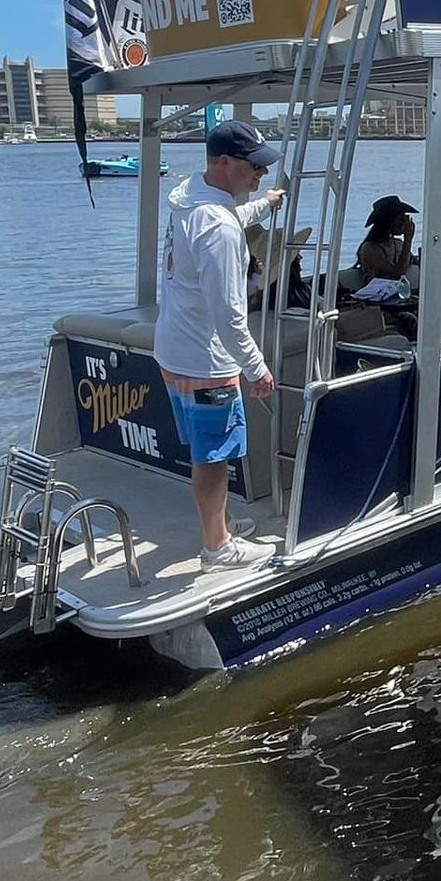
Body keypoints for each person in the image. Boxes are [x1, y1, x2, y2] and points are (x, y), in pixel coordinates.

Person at [155, 119, 287, 574]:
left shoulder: (189, 200)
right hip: (207, 360)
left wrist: (264, 207)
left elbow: (229, 216)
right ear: (226, 164)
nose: (261, 177)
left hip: (173, 350)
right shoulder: (220, 230)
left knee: (203, 448)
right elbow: (230, 314)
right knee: (213, 458)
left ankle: (223, 525)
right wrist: (257, 368)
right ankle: (217, 547)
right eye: (255, 169)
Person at [356, 195, 416, 287]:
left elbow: (411, 261)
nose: (405, 224)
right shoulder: (369, 248)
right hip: (376, 297)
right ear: (388, 221)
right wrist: (408, 240)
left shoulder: (397, 244)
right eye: (401, 219)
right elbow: (397, 273)